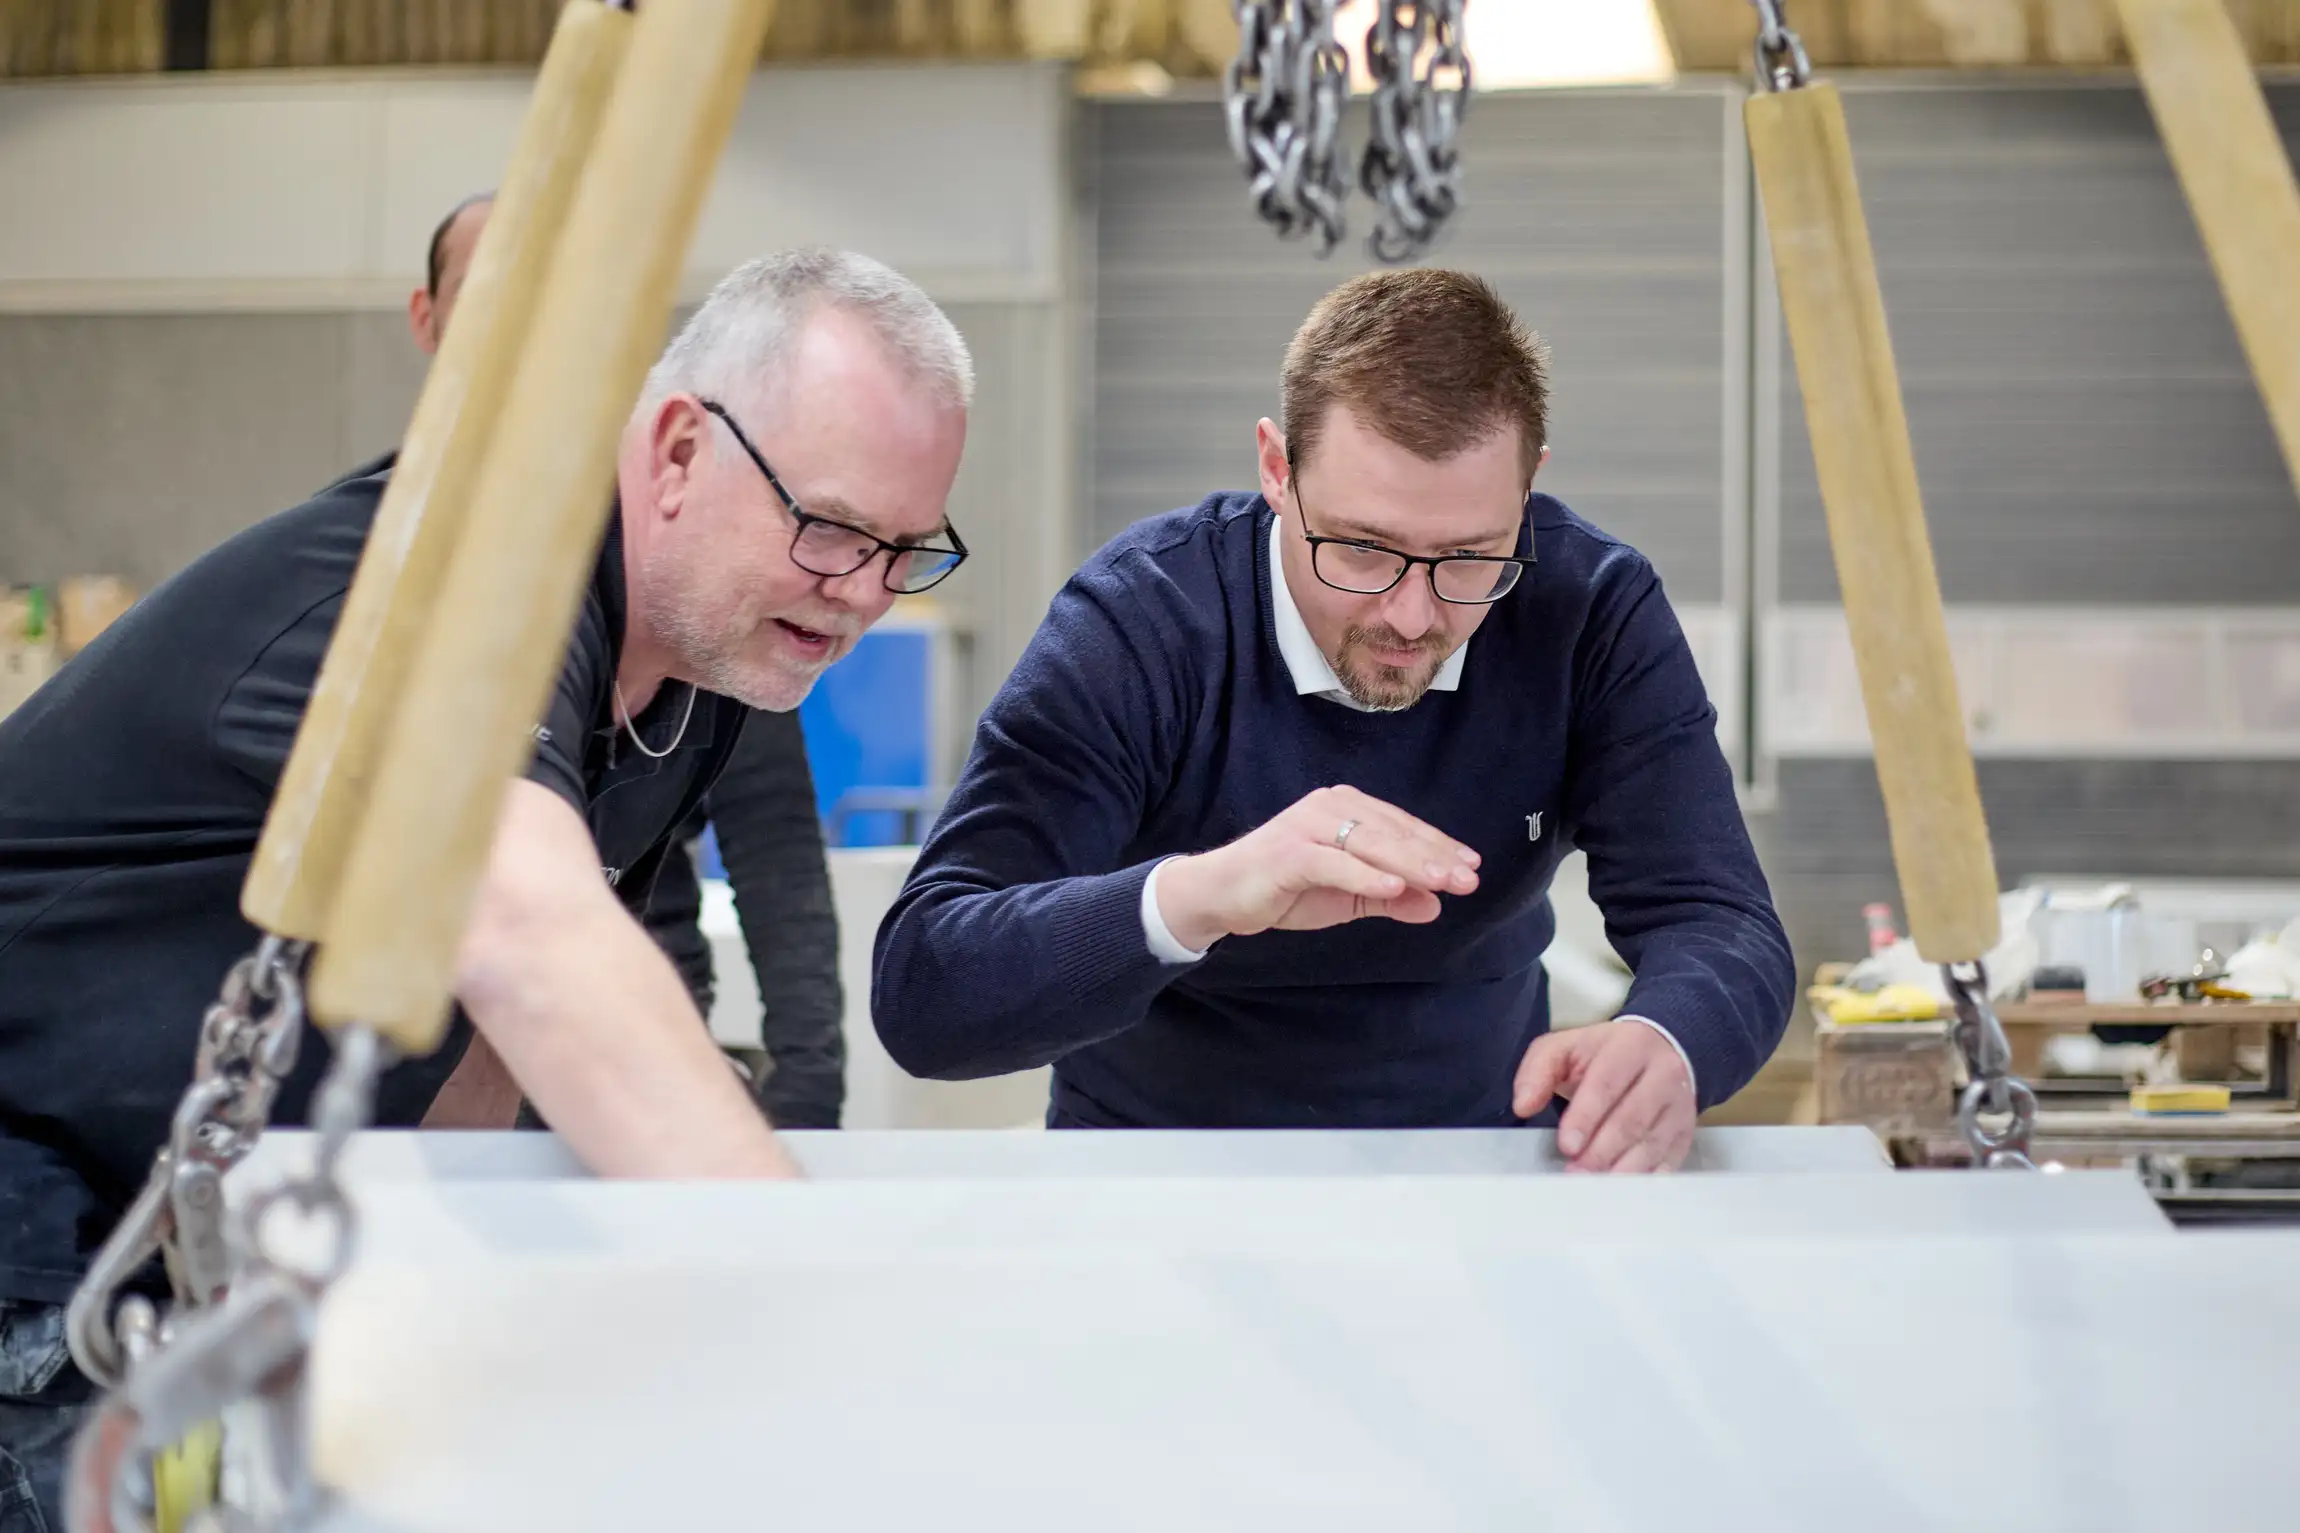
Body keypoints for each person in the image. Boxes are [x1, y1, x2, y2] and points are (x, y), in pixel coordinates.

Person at [0, 247, 972, 1525]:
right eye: (833, 530)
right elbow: (531, 941)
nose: (860, 596)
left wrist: (418, 1297)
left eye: (907, 552)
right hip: (38, 1229)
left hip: (189, 1251)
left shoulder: (694, 662)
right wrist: (834, 1347)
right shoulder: (453, 595)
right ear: (677, 451)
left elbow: (493, 1034)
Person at [875, 269, 1792, 1170]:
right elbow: (928, 989)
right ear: (1277, 469)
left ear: (1528, 487)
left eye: (1471, 557)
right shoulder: (1142, 621)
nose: (1410, 616)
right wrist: (1203, 895)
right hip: (1152, 1184)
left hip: (1479, 1170)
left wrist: (1668, 1041)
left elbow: (1717, 917)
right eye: (1361, 548)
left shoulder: (1590, 610)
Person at [416, 193, 847, 1128]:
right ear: (429, 320)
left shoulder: (683, 555)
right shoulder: (385, 560)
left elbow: (772, 836)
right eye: (493, 291)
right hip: (431, 1071)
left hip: (633, 1047)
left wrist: (810, 1081)